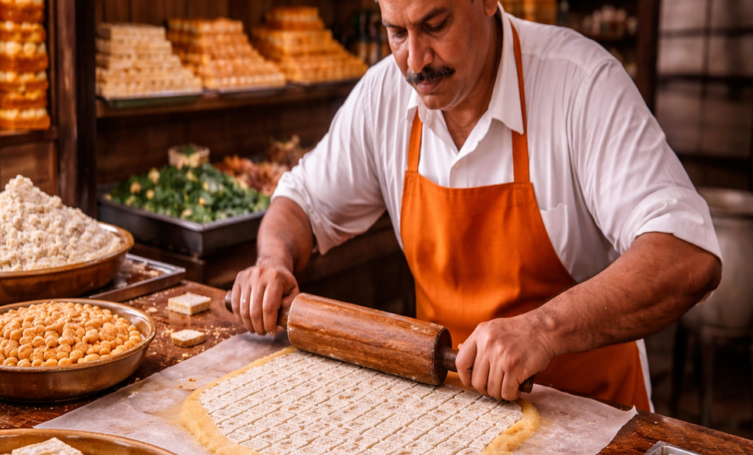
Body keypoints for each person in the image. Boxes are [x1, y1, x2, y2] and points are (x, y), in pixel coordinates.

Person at [229, 0, 722, 410]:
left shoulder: (579, 83)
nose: (416, 60)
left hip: (587, 416)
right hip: (451, 409)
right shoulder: (384, 95)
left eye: (435, 25)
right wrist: (273, 262)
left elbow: (686, 255)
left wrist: (543, 331)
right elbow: (300, 201)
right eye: (396, 33)